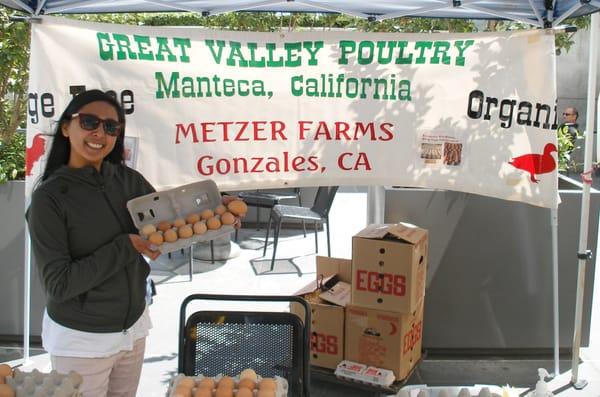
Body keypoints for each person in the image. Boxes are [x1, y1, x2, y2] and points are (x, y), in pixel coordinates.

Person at [26, 89, 161, 397]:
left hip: (133, 330)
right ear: (65, 127)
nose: (100, 132)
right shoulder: (50, 199)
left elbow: (168, 216)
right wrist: (126, 246)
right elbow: (58, 284)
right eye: (89, 122)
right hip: (81, 343)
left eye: (111, 127)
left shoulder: (128, 180)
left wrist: (217, 208)